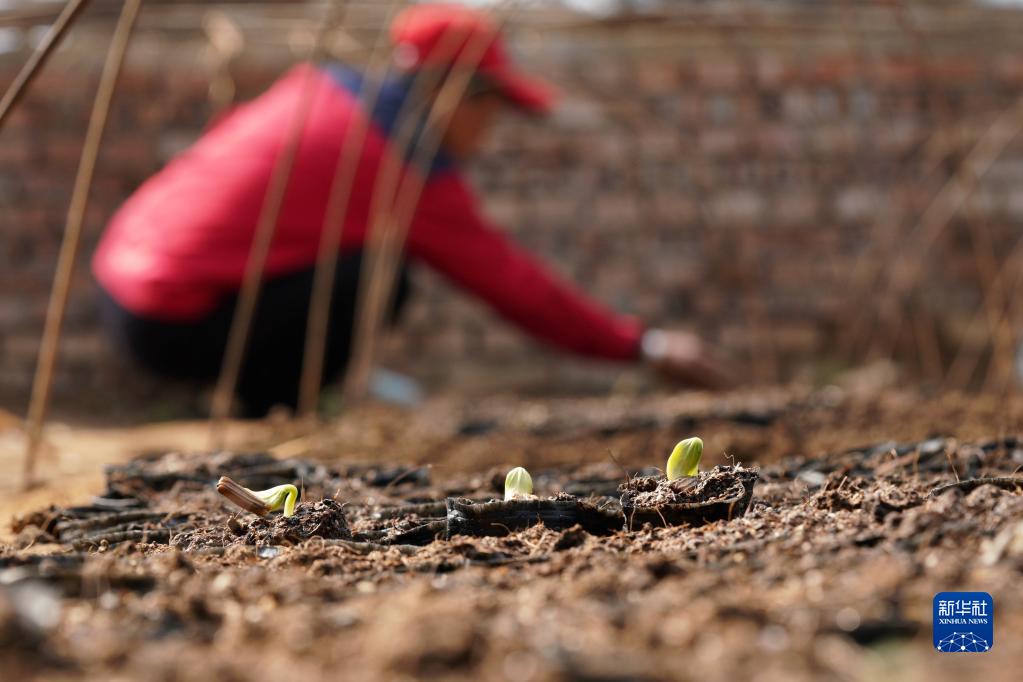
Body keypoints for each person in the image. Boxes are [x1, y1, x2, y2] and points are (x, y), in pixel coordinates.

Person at [92, 3, 729, 417]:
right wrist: (641, 346)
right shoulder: (396, 159)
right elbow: (513, 284)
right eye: (489, 111)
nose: (488, 133)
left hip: (118, 283)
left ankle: (264, 407)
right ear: (453, 93)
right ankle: (273, 416)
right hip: (171, 316)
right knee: (376, 276)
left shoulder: (321, 88)